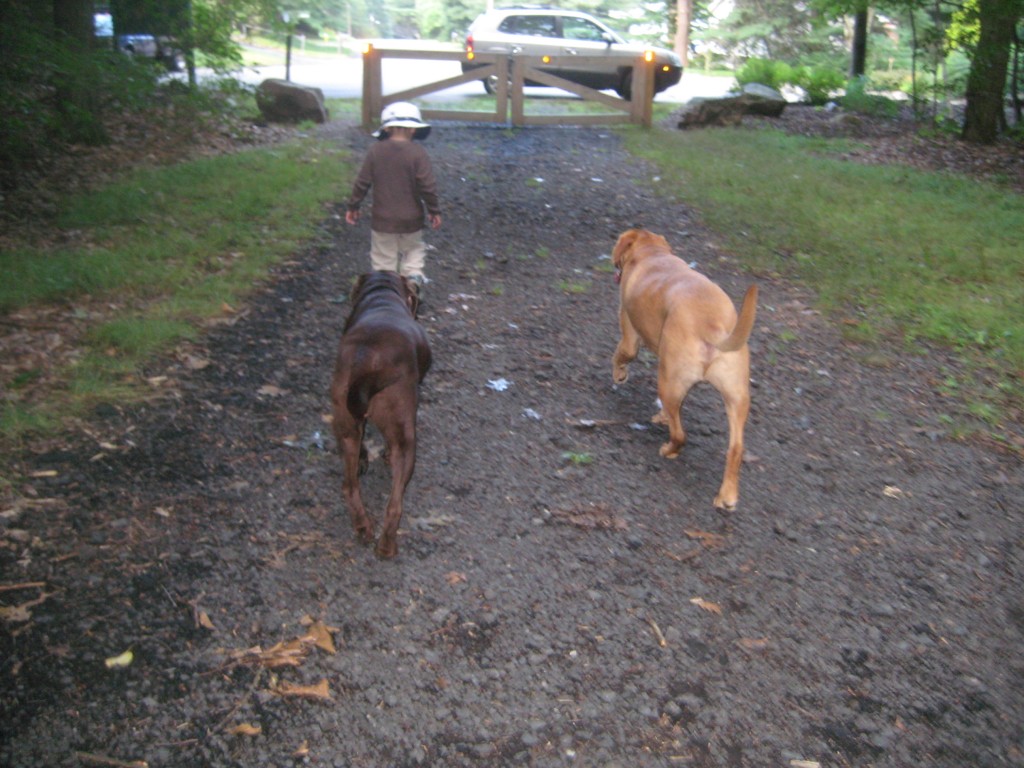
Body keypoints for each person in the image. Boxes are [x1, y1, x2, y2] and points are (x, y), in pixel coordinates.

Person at [345, 102, 442, 296]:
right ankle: (412, 281)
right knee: (413, 250)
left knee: (383, 259)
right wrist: (434, 210)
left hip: (382, 220)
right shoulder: (418, 153)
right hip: (412, 218)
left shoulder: (376, 151)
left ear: (386, 128)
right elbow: (427, 186)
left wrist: (353, 206)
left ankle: (386, 292)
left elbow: (362, 182)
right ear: (414, 129)